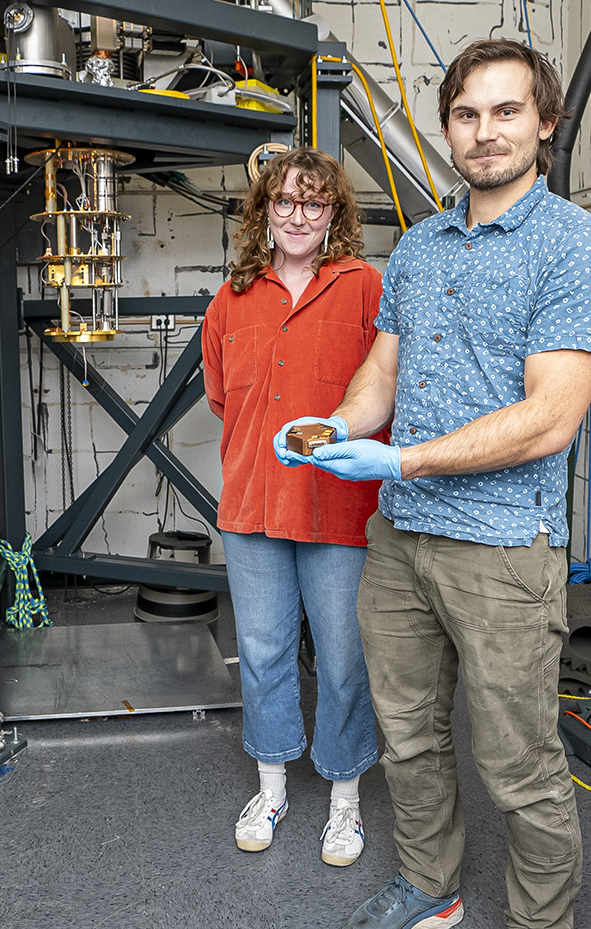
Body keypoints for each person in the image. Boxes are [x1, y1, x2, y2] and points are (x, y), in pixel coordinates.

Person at [276, 40, 591, 929]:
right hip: (400, 541)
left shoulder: (577, 248)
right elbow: (382, 374)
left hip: (504, 546)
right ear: (449, 128)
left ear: (545, 123)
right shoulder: (423, 246)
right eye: (467, 115)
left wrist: (406, 459)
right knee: (409, 736)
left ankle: (542, 919)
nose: (485, 133)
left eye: (507, 112)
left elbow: (552, 415)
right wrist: (338, 427)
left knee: (516, 760)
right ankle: (432, 887)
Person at [203, 147, 385, 868]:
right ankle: (272, 786)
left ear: (335, 213)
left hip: (339, 508)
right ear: (264, 212)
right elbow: (222, 397)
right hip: (252, 503)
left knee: (343, 660)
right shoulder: (232, 298)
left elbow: (387, 390)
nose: (298, 216)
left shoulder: (367, 287)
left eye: (314, 203)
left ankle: (345, 803)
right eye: (285, 202)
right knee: (265, 654)